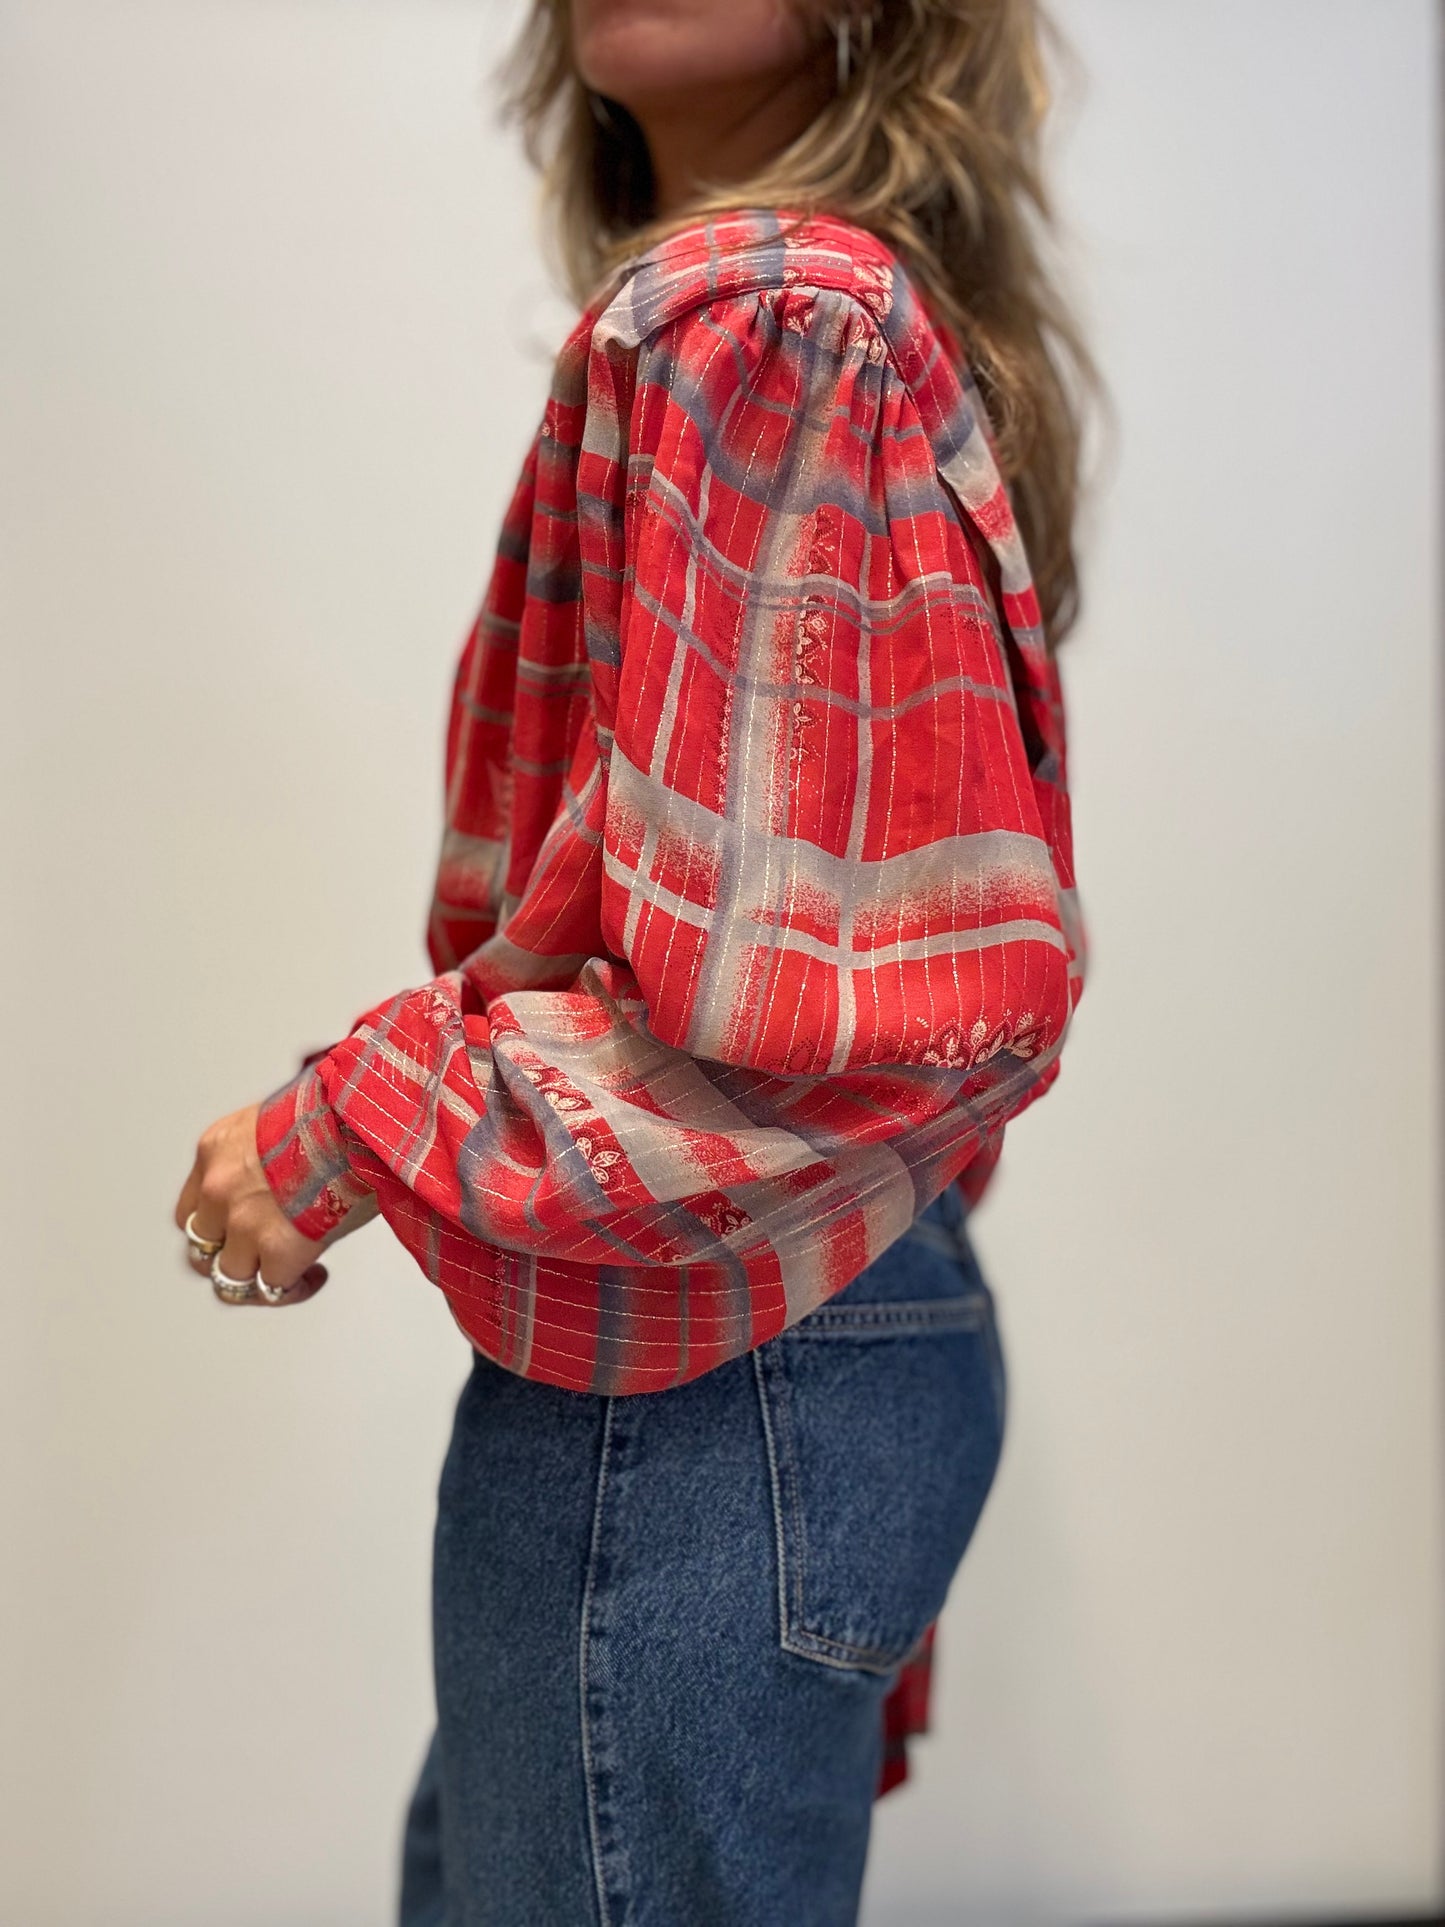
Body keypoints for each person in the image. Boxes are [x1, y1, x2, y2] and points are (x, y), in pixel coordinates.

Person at [172, 0, 1096, 1919]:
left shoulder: (759, 309)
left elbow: (810, 1032)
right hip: (790, 1345)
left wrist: (342, 1126)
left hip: (712, 1379)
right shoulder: (814, 318)